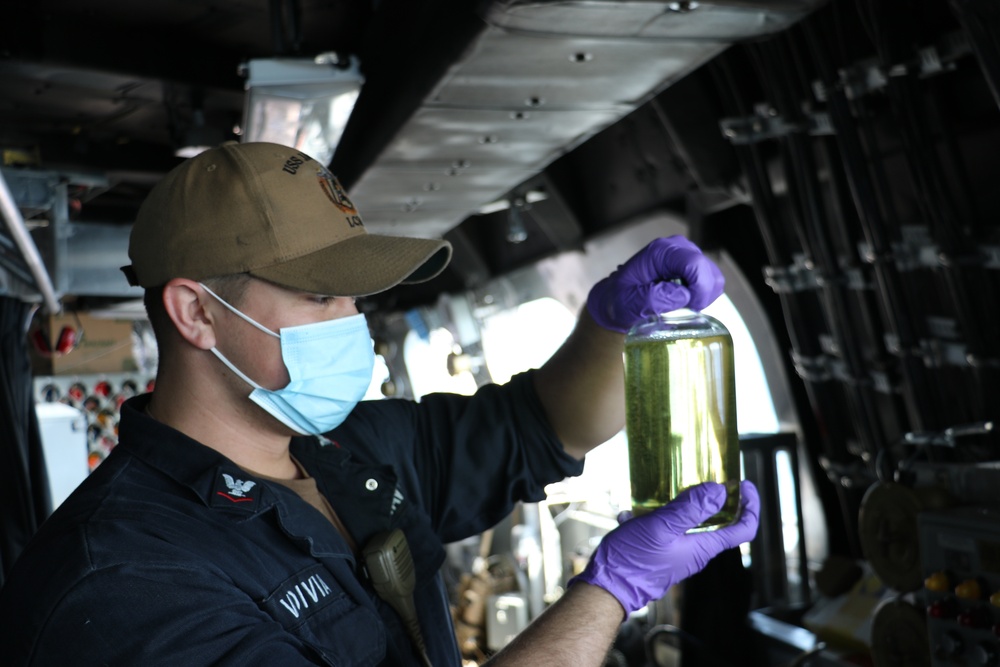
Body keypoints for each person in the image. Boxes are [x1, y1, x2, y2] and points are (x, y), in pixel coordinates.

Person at [0, 142, 759, 666]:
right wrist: (608, 591)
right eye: (320, 295)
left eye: (356, 298)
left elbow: (540, 425)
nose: (350, 326)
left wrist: (609, 319)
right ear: (196, 314)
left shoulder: (351, 453)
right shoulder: (122, 582)